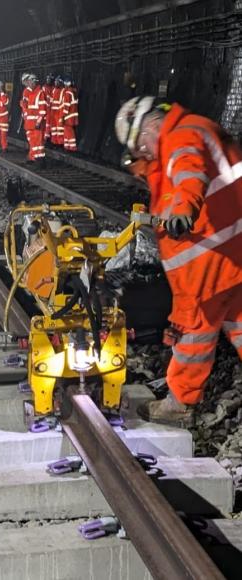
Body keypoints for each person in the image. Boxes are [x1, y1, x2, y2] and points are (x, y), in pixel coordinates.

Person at [115, 96, 242, 426]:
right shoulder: (193, 127)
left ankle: (179, 404)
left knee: (194, 330)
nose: (142, 151)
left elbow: (188, 171)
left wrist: (184, 208)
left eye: (140, 142)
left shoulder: (179, 136)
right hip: (231, 253)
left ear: (151, 126)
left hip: (212, 258)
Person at [20, 73, 47, 167]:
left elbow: (42, 110)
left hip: (36, 123)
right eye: (29, 82)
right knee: (32, 141)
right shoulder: (30, 93)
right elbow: (26, 107)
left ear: (35, 82)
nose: (29, 83)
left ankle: (40, 160)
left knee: (38, 142)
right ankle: (32, 157)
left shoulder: (40, 93)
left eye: (31, 81)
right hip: (29, 123)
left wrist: (39, 121)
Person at [62, 76, 79, 152]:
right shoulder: (74, 92)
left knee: (69, 130)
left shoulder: (68, 92)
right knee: (67, 130)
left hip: (69, 115)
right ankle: (67, 146)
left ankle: (72, 147)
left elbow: (66, 106)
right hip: (73, 114)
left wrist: (63, 116)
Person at [50, 76, 66, 146]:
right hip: (53, 112)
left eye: (57, 82)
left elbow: (63, 103)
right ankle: (54, 142)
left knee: (60, 129)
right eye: (55, 81)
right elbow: (51, 101)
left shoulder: (63, 90)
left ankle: (60, 144)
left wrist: (61, 115)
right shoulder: (53, 90)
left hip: (59, 112)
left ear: (60, 83)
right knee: (53, 128)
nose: (55, 83)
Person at [42, 74, 55, 143]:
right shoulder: (44, 87)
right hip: (45, 108)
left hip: (51, 109)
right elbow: (42, 97)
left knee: (50, 124)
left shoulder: (53, 88)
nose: (48, 80)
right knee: (45, 124)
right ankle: (45, 139)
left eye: (49, 79)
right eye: (47, 79)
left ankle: (48, 139)